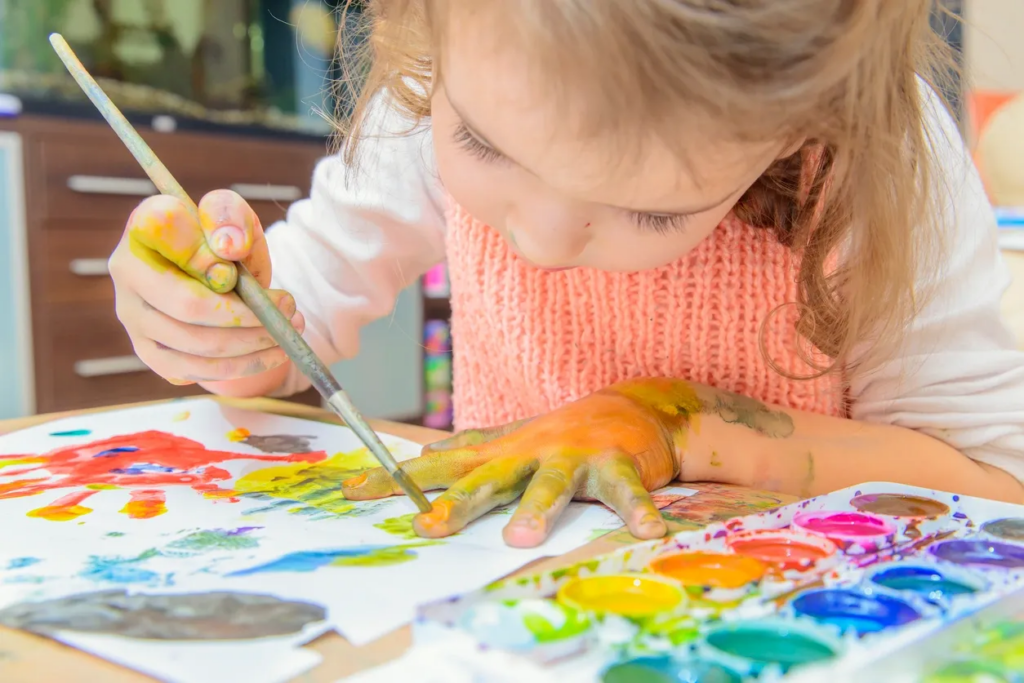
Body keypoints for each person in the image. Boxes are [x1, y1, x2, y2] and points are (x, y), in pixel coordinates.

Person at [108, 0, 1024, 548]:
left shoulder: (879, 165)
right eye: (481, 143)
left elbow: (993, 485)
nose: (539, 241)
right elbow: (292, 330)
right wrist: (224, 318)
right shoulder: (444, 75)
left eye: (655, 210)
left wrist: (678, 421)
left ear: (803, 125)